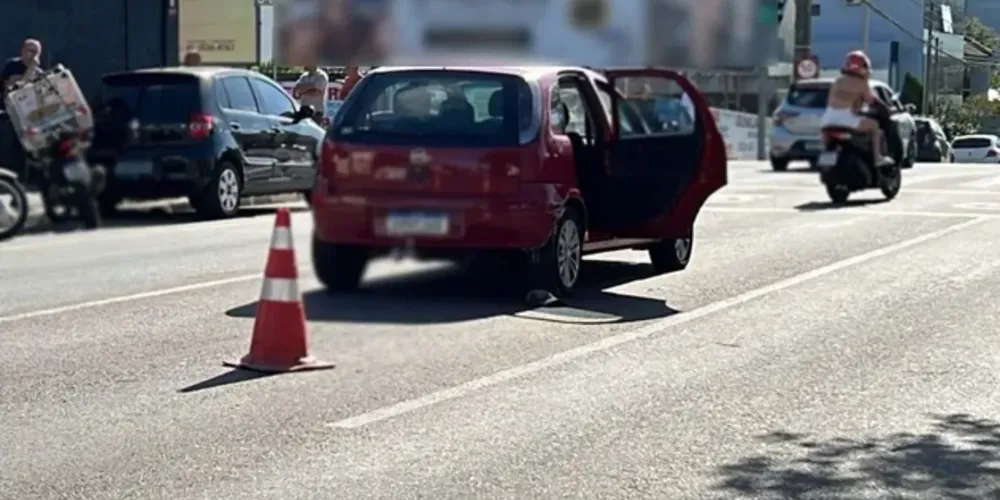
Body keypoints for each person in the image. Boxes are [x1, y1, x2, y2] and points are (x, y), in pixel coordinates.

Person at [821, 50, 893, 165]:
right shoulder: (862, 84)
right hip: (847, 120)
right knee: (875, 127)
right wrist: (886, 109)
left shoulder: (837, 81)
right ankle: (877, 158)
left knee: (827, 142)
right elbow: (872, 101)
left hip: (828, 119)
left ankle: (826, 157)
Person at [1, 38, 44, 182]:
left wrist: (33, 69)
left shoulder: (38, 73)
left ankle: (23, 182)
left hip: (28, 117)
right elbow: (18, 90)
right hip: (8, 113)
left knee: (25, 151)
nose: (33, 55)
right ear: (23, 51)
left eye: (36, 52)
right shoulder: (12, 66)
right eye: (30, 50)